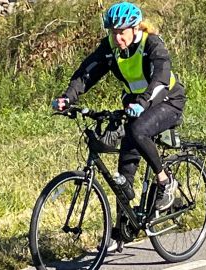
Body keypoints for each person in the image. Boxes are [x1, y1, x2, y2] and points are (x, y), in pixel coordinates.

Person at [52, 1, 186, 212]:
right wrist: (67, 98)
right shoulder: (111, 47)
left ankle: (165, 181)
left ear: (135, 28)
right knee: (123, 174)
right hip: (135, 105)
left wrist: (143, 103)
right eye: (114, 32)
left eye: (122, 32)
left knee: (138, 130)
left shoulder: (151, 44)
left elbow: (161, 78)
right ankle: (121, 233)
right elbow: (86, 74)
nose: (117, 38)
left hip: (168, 101)